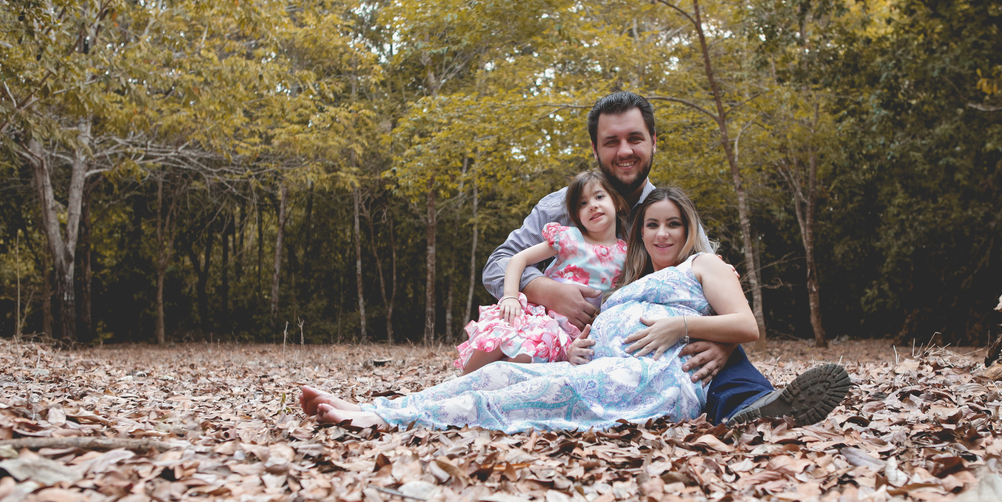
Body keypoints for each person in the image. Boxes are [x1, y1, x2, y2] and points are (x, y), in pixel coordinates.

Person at [302, 188, 850, 433]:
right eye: (652, 224)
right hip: (598, 364)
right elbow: (515, 265)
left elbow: (747, 326)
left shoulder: (705, 265)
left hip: (653, 375)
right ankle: (380, 404)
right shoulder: (632, 278)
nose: (662, 233)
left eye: (673, 224)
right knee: (495, 371)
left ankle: (388, 419)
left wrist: (682, 326)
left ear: (689, 231)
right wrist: (583, 343)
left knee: (527, 394)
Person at [482, 91, 849, 425]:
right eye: (612, 142)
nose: (624, 150)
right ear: (595, 149)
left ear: (654, 142)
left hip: (653, 346)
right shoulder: (560, 208)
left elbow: (709, 286)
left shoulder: (667, 213)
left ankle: (751, 405)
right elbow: (498, 263)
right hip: (573, 344)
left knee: (699, 351)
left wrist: (725, 341)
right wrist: (545, 289)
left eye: (635, 138)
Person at [455, 170, 628, 374]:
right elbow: (518, 258)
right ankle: (462, 384)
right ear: (577, 215)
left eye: (599, 196)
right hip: (540, 316)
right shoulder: (570, 238)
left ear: (616, 202)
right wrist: (510, 296)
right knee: (498, 339)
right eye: (582, 204)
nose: (592, 205)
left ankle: (483, 391)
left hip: (570, 336)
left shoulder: (628, 253)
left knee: (522, 358)